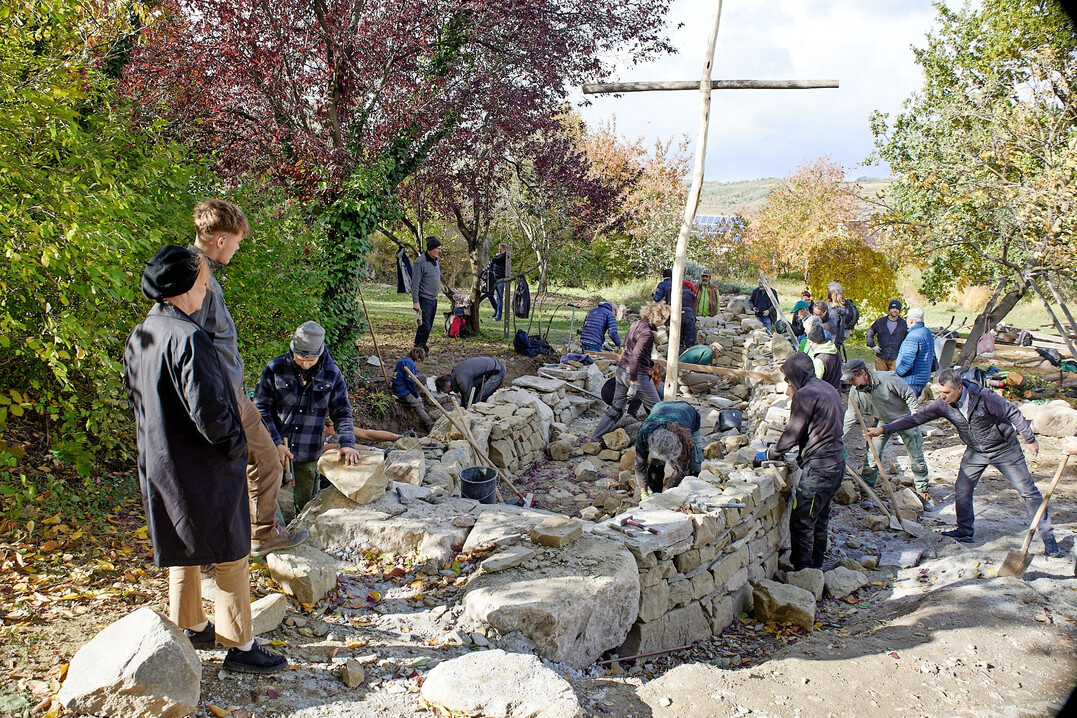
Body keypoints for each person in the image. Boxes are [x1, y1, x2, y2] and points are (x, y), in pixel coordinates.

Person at [124, 245, 286, 673]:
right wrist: (236, 449)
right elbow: (210, 412)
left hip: (161, 461)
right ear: (183, 287)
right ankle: (240, 644)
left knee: (184, 545)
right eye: (202, 281)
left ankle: (190, 624)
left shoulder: (143, 333)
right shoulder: (189, 337)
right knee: (232, 553)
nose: (207, 286)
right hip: (202, 464)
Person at [189, 199, 307, 557]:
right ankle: (240, 543)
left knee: (262, 459)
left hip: (231, 390)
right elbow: (186, 343)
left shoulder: (200, 272)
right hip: (220, 394)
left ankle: (257, 532)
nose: (239, 249)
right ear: (221, 240)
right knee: (246, 464)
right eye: (238, 242)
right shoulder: (195, 278)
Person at [866, 368, 1061, 556]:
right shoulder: (942, 404)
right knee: (962, 488)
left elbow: (1013, 413)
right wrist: (884, 430)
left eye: (946, 392)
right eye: (940, 392)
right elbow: (916, 419)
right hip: (976, 451)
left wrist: (1030, 439)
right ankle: (965, 530)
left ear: (960, 389)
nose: (942, 396)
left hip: (1004, 449)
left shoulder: (985, 397)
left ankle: (1048, 538)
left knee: (1027, 491)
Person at [253, 321, 360, 514]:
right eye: (300, 357)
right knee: (266, 501)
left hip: (309, 449)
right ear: (292, 348)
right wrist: (276, 442)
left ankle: (303, 535)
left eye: (310, 360)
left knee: (307, 505)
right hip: (273, 447)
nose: (304, 363)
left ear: (320, 353)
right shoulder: (275, 368)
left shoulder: (332, 374)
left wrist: (347, 443)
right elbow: (260, 408)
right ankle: (275, 536)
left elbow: (342, 412)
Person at [759, 353, 845, 572]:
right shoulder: (828, 389)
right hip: (836, 462)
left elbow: (793, 432)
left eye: (788, 378)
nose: (788, 383)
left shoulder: (806, 395)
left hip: (819, 468)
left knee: (802, 519)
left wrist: (773, 452)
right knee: (820, 516)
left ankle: (802, 570)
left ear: (797, 374)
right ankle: (817, 564)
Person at [841, 359, 931, 507]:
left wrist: (915, 419)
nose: (850, 383)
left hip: (905, 419)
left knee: (916, 457)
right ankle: (866, 494)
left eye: (852, 379)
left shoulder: (888, 379)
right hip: (882, 422)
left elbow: (909, 396)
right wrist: (839, 436)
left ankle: (923, 491)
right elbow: (851, 416)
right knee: (872, 456)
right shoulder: (855, 392)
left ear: (863, 373)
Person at [591, 301, 670, 440]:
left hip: (621, 370)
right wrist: (633, 383)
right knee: (659, 410)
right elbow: (635, 358)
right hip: (637, 375)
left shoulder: (635, 324)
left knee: (616, 409)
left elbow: (629, 349)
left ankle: (596, 437)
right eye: (663, 320)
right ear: (657, 317)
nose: (663, 323)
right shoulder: (647, 334)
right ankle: (664, 442)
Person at [634, 401, 702, 499]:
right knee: (657, 465)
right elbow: (640, 465)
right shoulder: (645, 432)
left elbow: (681, 470)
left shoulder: (685, 440)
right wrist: (644, 493)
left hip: (687, 412)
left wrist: (668, 492)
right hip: (660, 407)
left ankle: (689, 494)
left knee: (695, 466)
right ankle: (655, 491)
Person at [895, 307, 935, 398]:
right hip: (921, 379)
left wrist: (898, 373)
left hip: (910, 381)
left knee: (903, 410)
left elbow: (907, 360)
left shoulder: (913, 336)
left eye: (907, 319)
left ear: (911, 321)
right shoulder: (926, 332)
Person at [411, 236, 442, 353]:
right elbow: (415, 283)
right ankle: (420, 349)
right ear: (430, 249)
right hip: (424, 299)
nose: (439, 251)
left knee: (428, 327)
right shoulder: (420, 262)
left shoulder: (436, 260)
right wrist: (415, 301)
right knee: (425, 326)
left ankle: (419, 349)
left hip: (433, 299)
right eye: (437, 249)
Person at [435, 357, 506, 407]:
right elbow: (464, 394)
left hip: (497, 372)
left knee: (477, 402)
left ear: (449, 386)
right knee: (475, 397)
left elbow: (468, 399)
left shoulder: (461, 380)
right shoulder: (455, 374)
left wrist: (466, 409)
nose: (449, 393)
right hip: (490, 368)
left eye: (447, 392)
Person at [392, 349, 433, 432]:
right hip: (402, 390)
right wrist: (416, 396)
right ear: (418, 360)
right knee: (417, 405)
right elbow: (410, 382)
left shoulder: (403, 360)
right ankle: (430, 424)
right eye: (419, 362)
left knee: (423, 377)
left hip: (401, 385)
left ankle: (415, 396)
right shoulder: (410, 364)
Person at [865, 300, 908, 371]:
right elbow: (870, 332)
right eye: (893, 308)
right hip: (881, 357)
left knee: (894, 380)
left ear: (899, 310)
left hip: (896, 358)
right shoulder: (880, 322)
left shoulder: (903, 324)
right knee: (880, 378)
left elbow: (908, 339)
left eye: (897, 309)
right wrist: (872, 346)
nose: (895, 310)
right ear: (889, 309)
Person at [807, 322, 842, 393]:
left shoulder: (820, 359)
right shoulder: (836, 351)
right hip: (836, 392)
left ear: (816, 342)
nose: (810, 345)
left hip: (825, 395)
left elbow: (816, 382)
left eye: (810, 342)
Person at [490, 243, 508, 321]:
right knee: (490, 295)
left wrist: (496, 256)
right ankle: (496, 309)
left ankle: (498, 316)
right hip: (495, 278)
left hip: (501, 279)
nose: (499, 251)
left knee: (499, 298)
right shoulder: (500, 255)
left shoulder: (505, 256)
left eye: (500, 249)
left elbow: (495, 260)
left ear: (504, 249)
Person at [679, 280, 698, 351]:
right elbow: (695, 308)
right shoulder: (692, 294)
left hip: (677, 316)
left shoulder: (675, 292)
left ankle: (679, 359)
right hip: (689, 316)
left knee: (678, 342)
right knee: (690, 342)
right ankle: (689, 358)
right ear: (690, 289)